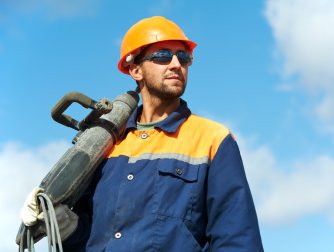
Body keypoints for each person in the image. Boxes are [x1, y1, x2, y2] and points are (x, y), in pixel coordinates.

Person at [20, 16, 264, 251]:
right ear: (135, 70)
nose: (176, 64)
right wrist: (65, 224)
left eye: (183, 57)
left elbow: (237, 238)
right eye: (162, 56)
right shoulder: (105, 143)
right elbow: (90, 238)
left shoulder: (212, 139)